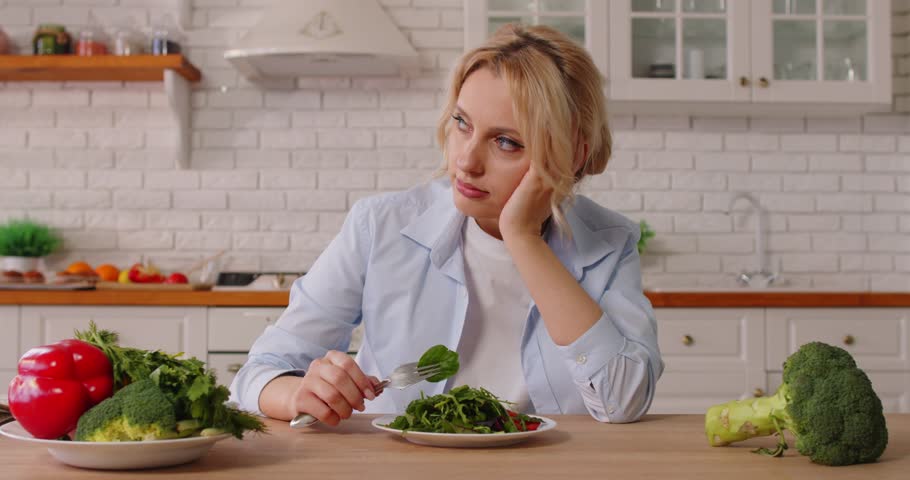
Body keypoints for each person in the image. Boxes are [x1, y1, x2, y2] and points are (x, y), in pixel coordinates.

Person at [230, 24, 663, 426]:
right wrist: (299, 394)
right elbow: (259, 372)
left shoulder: (609, 243)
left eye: (506, 142)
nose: (465, 161)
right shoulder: (380, 226)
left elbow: (622, 400)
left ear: (572, 155)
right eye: (462, 123)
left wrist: (524, 238)